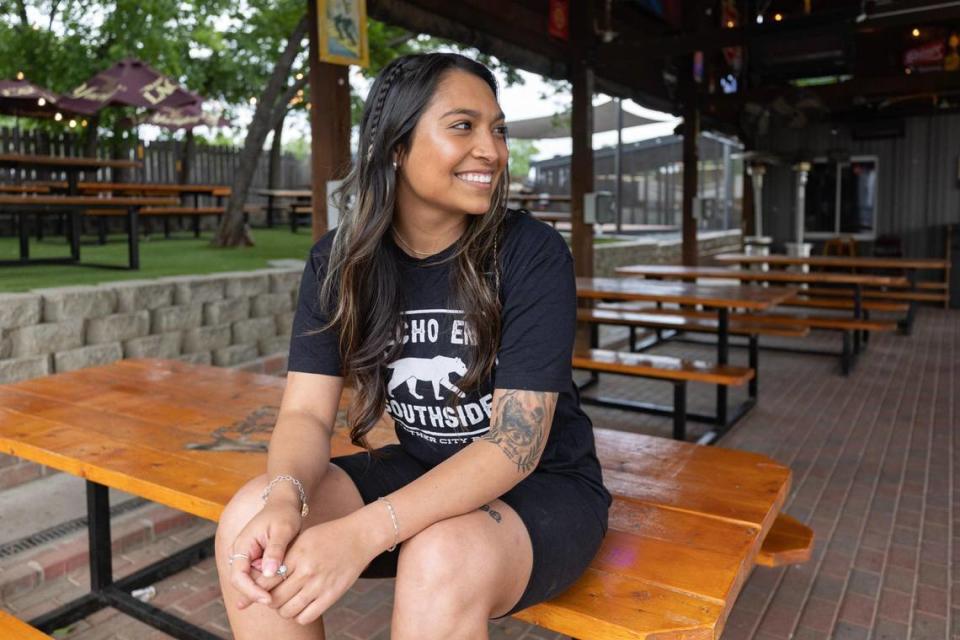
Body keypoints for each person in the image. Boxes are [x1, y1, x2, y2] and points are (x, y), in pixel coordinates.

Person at [215, 52, 611, 640]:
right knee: (251, 521)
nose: (493, 149)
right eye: (463, 126)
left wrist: (364, 532)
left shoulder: (530, 253)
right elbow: (303, 413)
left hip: (544, 488)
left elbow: (514, 447)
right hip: (425, 467)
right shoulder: (338, 262)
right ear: (397, 147)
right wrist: (285, 498)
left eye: (497, 129)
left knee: (440, 555)